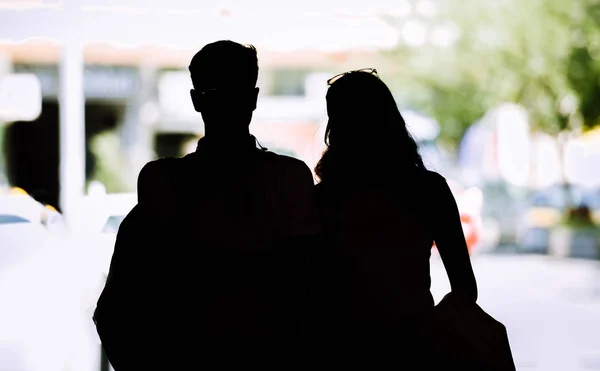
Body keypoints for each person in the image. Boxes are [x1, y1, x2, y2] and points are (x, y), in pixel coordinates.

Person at [93, 40, 319, 370]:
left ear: (196, 101)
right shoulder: (288, 180)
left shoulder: (162, 183)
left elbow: (114, 311)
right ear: (253, 99)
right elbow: (312, 294)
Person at [311, 68, 478, 366]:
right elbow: (466, 290)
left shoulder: (321, 199)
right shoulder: (429, 189)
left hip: (341, 349)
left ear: (336, 129)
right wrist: (428, 331)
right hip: (414, 351)